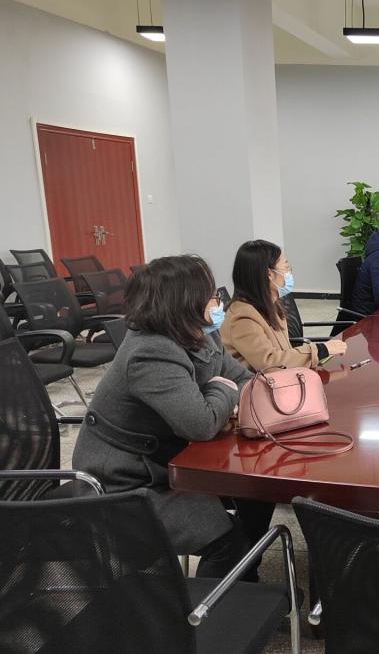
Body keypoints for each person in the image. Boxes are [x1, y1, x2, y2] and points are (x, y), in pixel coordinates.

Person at [72, 255, 272, 579]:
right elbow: (202, 424)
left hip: (168, 459)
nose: (218, 302)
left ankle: (248, 583)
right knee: (228, 540)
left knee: (258, 493)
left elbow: (244, 379)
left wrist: (222, 392)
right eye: (211, 295)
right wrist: (222, 390)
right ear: (185, 302)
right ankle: (211, 608)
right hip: (125, 483)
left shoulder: (200, 332)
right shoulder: (150, 352)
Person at [222, 239, 347, 371]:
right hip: (261, 382)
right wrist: (321, 350)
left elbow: (283, 352)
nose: (289, 273)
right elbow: (270, 363)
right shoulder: (243, 318)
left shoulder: (269, 305)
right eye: (286, 268)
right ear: (269, 274)